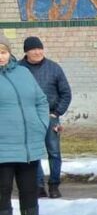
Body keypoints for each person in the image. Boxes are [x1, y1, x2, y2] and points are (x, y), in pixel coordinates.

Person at [0, 36, 56, 215]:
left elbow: (41, 100)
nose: (1, 56)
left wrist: (41, 124)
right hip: (3, 145)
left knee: (30, 188)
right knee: (3, 190)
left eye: (4, 51)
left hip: (28, 144)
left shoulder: (22, 72)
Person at [20, 36, 72, 199]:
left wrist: (56, 113)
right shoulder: (18, 69)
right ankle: (38, 186)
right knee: (33, 152)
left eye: (39, 48)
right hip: (28, 117)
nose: (37, 52)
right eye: (33, 49)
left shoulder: (54, 68)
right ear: (26, 52)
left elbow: (66, 93)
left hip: (50, 117)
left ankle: (54, 185)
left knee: (54, 152)